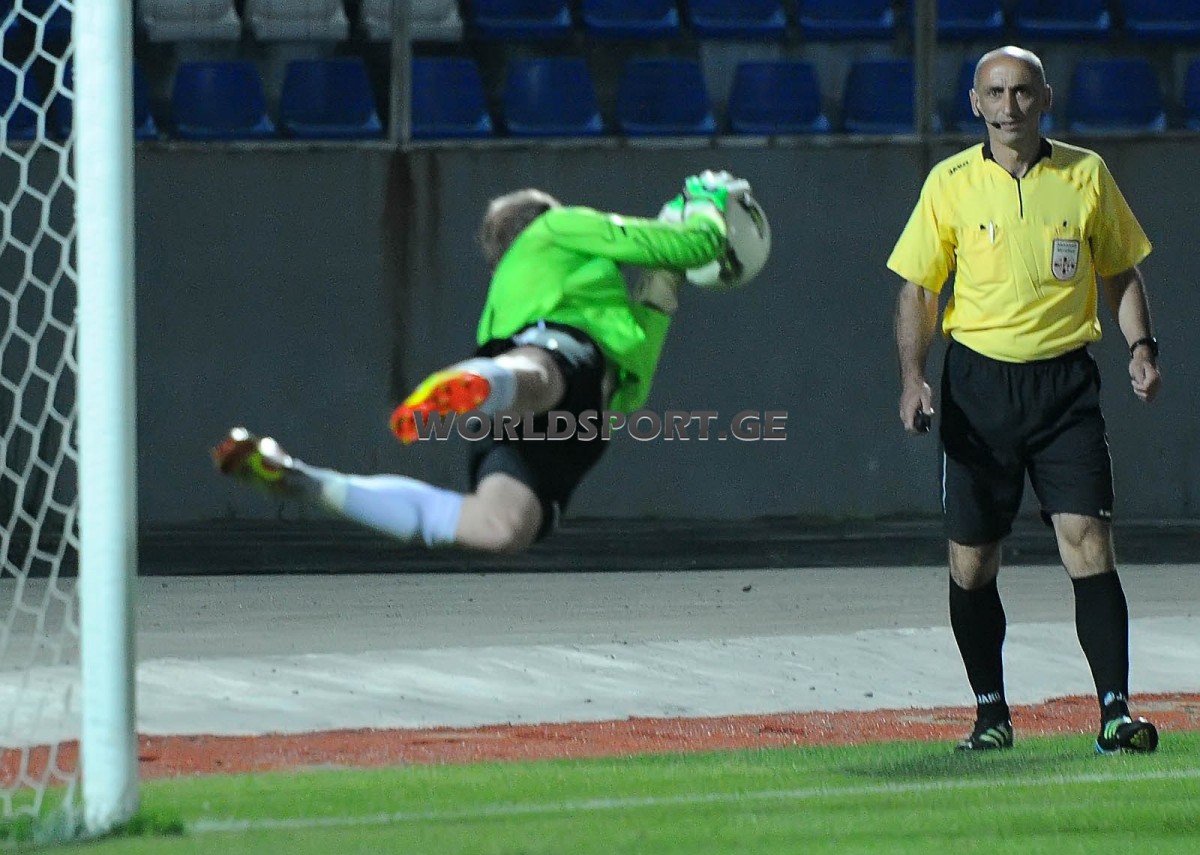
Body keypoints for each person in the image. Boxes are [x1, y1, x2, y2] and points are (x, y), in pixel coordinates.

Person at [212, 171, 748, 554]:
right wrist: (705, 204)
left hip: (542, 403)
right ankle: (477, 382)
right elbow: (693, 247)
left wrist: (663, 286)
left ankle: (306, 480)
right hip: (567, 381)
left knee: (498, 528)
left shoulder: (510, 292)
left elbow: (640, 357)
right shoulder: (558, 227)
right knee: (541, 372)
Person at [888, 46, 1162, 755]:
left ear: (1045, 98)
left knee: (1089, 539)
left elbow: (1119, 272)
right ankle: (991, 715)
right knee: (972, 563)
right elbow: (919, 290)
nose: (1008, 106)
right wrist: (914, 378)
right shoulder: (949, 182)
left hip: (1064, 388)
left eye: (1021, 92)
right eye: (995, 93)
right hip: (979, 390)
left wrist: (1141, 347)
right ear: (975, 103)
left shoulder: (1085, 174)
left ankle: (1115, 715)